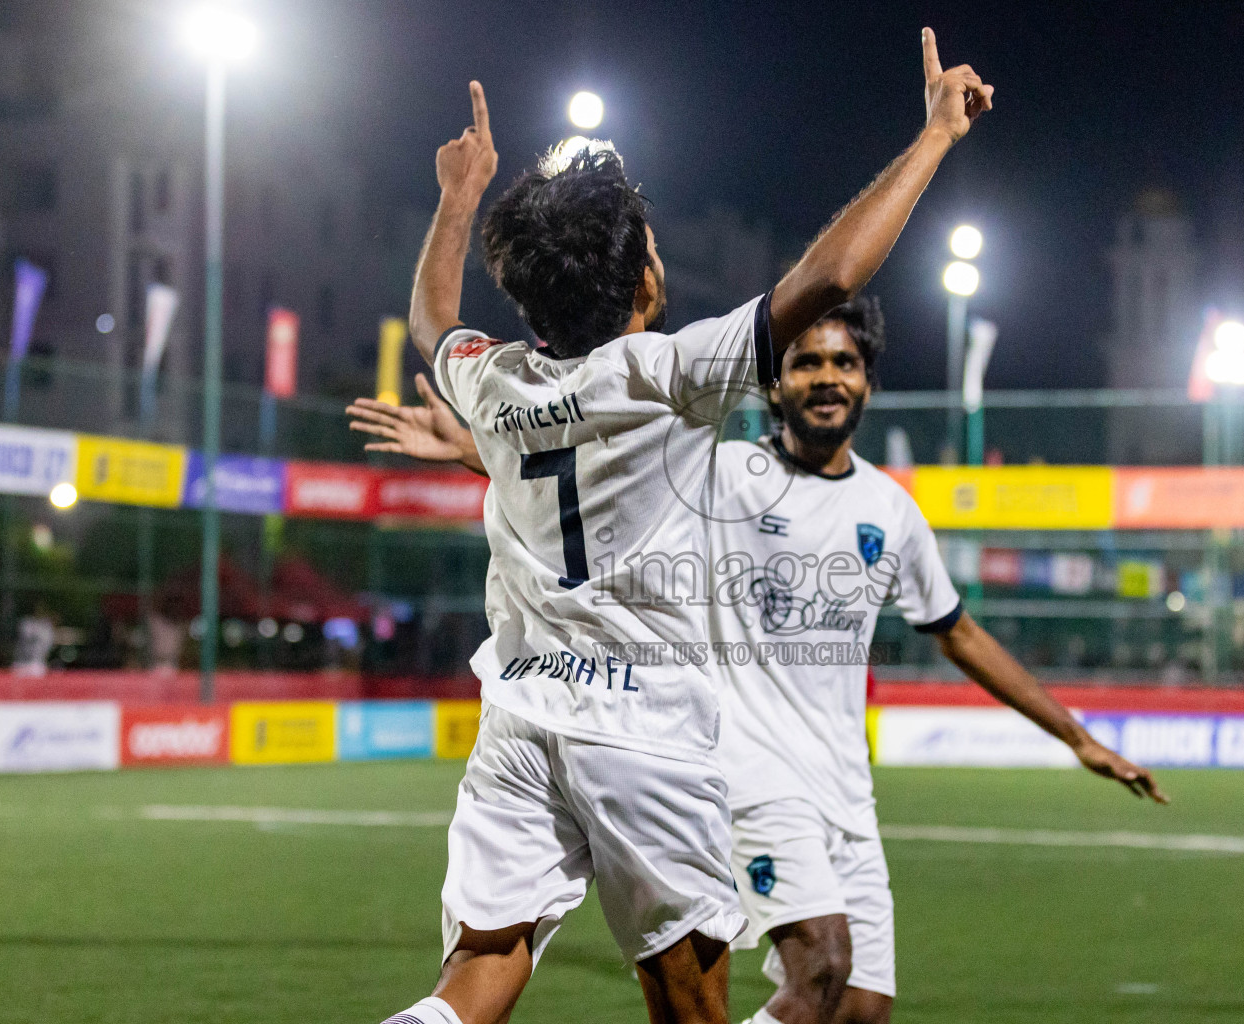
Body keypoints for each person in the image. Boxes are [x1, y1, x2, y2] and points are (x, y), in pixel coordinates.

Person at [372, 31, 994, 1024]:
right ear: (637, 283)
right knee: (695, 1006)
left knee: (479, 973)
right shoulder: (671, 372)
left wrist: (458, 195)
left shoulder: (489, 380)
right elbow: (830, 277)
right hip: (646, 733)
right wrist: (932, 139)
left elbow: (431, 319)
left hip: (522, 720)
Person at [354, 295, 1166, 1024]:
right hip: (743, 771)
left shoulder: (891, 510)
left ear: (868, 384)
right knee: (822, 964)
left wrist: (1077, 736)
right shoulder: (728, 475)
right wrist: (474, 447)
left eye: (843, 362)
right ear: (772, 386)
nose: (824, 378)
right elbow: (599, 484)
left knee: (859, 1006)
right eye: (804, 361)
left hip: (845, 791)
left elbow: (957, 630)